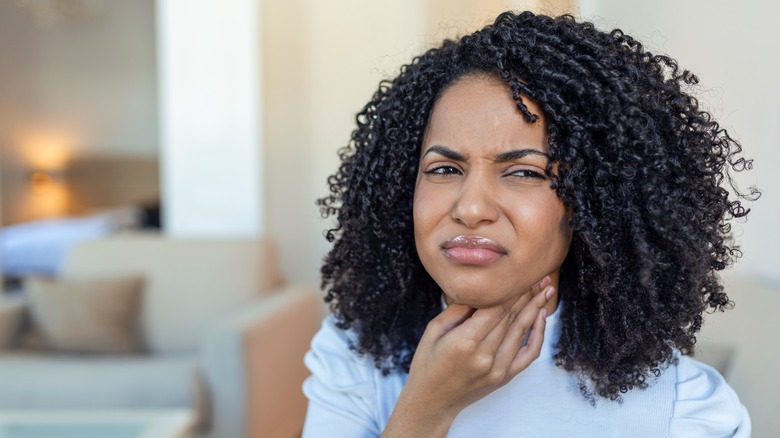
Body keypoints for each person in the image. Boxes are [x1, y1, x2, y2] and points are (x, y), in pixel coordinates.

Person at [303, 11, 756, 437]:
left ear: (593, 202)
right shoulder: (353, 358)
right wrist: (426, 408)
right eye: (444, 169)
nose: (471, 207)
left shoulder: (682, 408)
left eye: (524, 172)